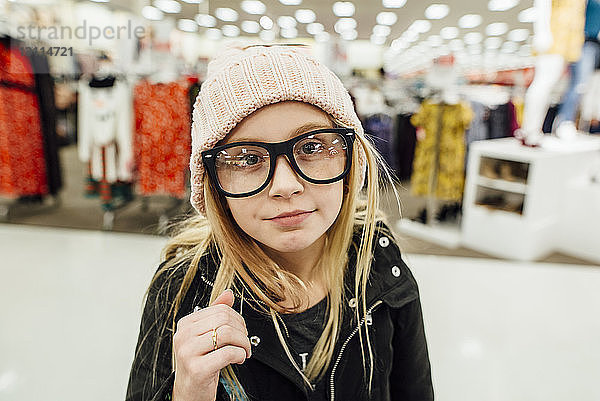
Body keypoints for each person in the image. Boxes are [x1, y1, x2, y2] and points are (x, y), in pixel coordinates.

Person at [125, 44, 433, 401]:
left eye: (313, 147)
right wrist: (187, 392)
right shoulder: (183, 287)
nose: (286, 186)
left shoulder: (378, 259)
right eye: (245, 158)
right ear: (212, 183)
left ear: (351, 159)